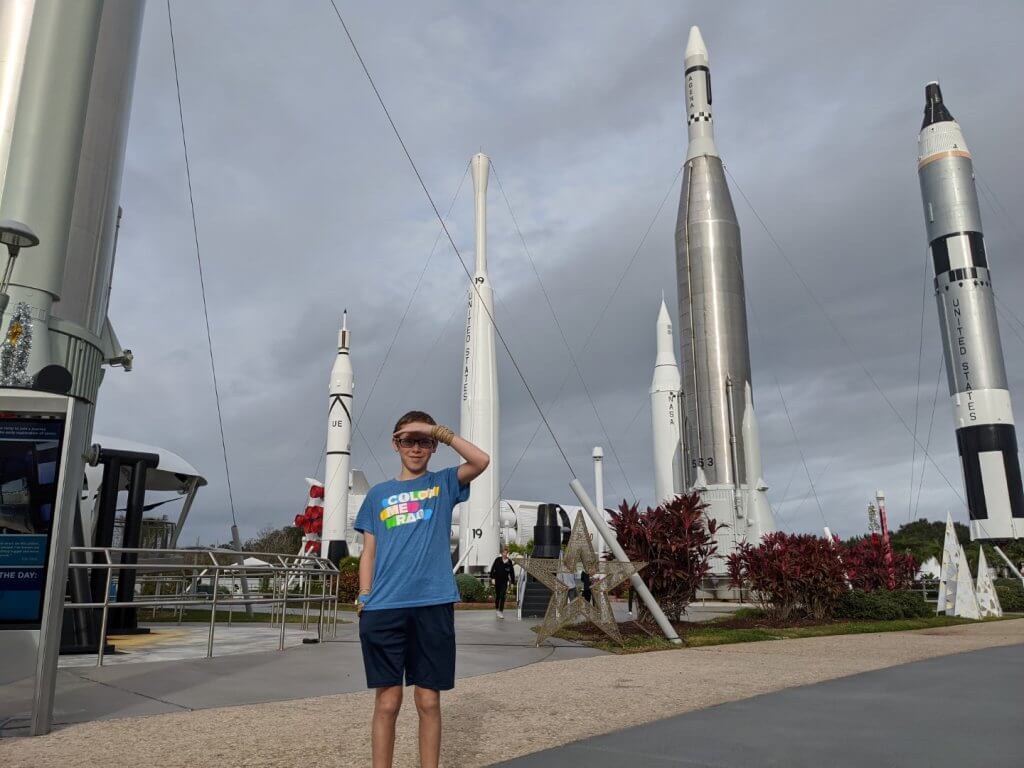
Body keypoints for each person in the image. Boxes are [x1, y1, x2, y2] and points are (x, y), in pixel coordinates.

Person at [355, 410, 490, 768]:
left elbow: (481, 460)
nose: (415, 448)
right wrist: (364, 595)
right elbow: (369, 551)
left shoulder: (444, 483)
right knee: (387, 701)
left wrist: (438, 431)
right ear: (395, 444)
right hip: (383, 608)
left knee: (428, 701)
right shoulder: (378, 495)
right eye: (407, 440)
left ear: (433, 446)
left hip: (433, 604)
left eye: (423, 442)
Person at [489, 548, 515, 618]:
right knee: (498, 596)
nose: (505, 554)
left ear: (507, 554)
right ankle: (497, 609)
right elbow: (492, 569)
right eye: (504, 553)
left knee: (502, 596)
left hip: (504, 581)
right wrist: (492, 578)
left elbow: (512, 573)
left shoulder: (509, 562)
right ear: (502, 553)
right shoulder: (497, 560)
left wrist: (512, 583)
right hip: (497, 580)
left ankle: (501, 611)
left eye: (506, 553)